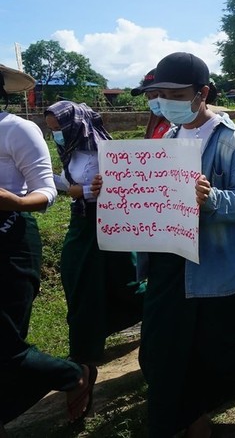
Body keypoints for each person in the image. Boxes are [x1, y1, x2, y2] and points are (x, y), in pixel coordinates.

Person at [134, 52, 235, 437]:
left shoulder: (232, 142)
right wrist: (112, 193)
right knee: (161, 353)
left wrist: (210, 200)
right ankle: (194, 423)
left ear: (202, 93)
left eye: (176, 93)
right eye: (160, 93)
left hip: (215, 269)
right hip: (168, 263)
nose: (166, 101)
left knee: (217, 354)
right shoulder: (167, 138)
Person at [0, 68, 97, 429]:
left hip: (11, 242)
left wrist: (14, 202)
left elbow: (46, 192)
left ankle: (73, 375)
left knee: (6, 347)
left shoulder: (17, 130)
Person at [43, 101, 145, 367]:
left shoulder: (104, 152)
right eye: (52, 129)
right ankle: (85, 349)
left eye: (58, 128)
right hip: (83, 222)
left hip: (109, 221)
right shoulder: (71, 148)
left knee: (122, 282)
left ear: (75, 124)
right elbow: (71, 183)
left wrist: (82, 191)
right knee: (80, 280)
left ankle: (158, 311)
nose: (56, 133)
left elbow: (122, 187)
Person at [131, 68, 171, 139]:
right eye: (148, 97)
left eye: (156, 95)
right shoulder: (156, 125)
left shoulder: (180, 128)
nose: (152, 101)